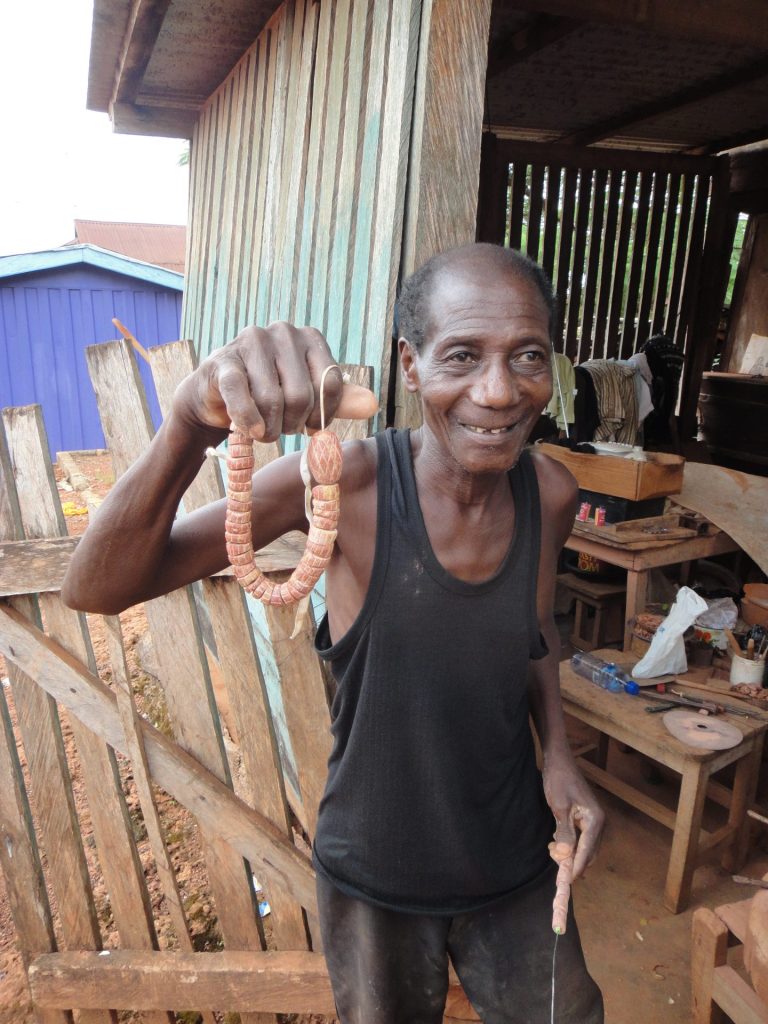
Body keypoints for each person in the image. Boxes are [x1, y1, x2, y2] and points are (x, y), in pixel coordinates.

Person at [63, 242, 604, 1023]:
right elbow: (97, 585)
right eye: (461, 355)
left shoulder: (550, 492)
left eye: (527, 355)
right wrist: (187, 421)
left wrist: (559, 755)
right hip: (376, 876)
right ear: (410, 368)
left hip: (516, 863)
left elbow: (538, 630)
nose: (497, 390)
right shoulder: (345, 485)